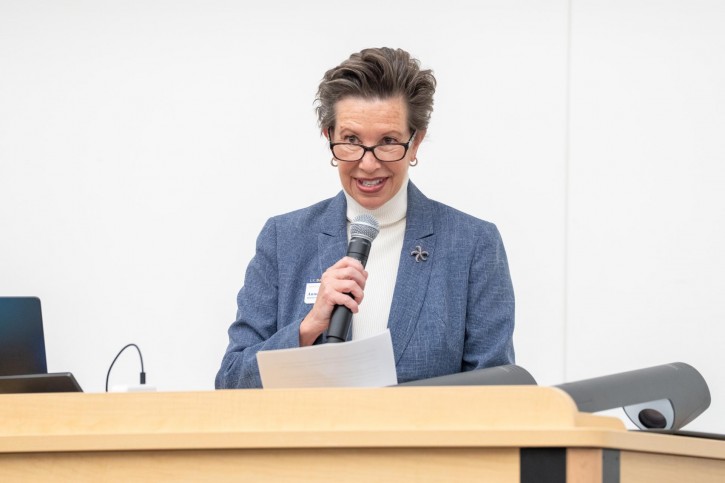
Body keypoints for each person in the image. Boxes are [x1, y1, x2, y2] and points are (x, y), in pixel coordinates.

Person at [215, 47, 515, 389]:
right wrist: (308, 326)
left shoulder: (472, 244)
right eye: (351, 140)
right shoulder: (284, 239)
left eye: (388, 141)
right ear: (329, 137)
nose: (368, 163)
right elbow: (231, 382)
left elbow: (497, 393)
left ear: (415, 142)